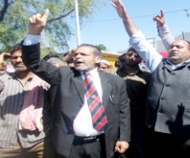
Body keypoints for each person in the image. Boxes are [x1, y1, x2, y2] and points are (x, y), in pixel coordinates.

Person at [21, 9, 131, 158]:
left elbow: (124, 111)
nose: (77, 56)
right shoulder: (63, 75)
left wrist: (124, 137)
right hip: (69, 146)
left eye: (83, 54)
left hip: (102, 144)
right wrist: (33, 33)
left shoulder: (115, 82)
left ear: (97, 59)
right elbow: (33, 62)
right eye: (75, 54)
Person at [112, 0, 190, 158]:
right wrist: (125, 17)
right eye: (172, 46)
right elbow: (139, 40)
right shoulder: (158, 63)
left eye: (179, 46)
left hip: (188, 133)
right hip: (154, 132)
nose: (174, 48)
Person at [0, 45, 54, 158]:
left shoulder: (46, 81)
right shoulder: (3, 80)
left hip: (40, 142)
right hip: (6, 143)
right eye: (14, 58)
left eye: (22, 56)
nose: (19, 60)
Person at [116, 47, 151, 158]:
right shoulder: (113, 74)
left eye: (136, 56)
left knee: (138, 148)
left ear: (141, 59)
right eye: (130, 54)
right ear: (125, 55)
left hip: (138, 119)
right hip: (116, 118)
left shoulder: (147, 77)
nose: (132, 57)